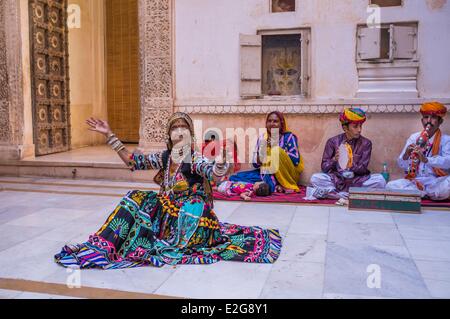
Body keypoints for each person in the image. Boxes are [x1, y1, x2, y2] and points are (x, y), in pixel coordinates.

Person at [54, 112, 282, 269]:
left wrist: (221, 165)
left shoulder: (193, 157)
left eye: (184, 127)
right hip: (169, 212)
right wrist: (109, 135)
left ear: (190, 133)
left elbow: (212, 173)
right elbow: (133, 162)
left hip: (191, 216)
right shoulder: (165, 157)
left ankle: (138, 241)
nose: (179, 130)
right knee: (135, 198)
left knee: (157, 203)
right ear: (170, 134)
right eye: (175, 127)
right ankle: (105, 244)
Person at [309, 107, 386, 199]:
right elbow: (324, 167)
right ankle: (353, 195)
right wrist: (334, 160)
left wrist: (349, 162)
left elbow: (363, 169)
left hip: (358, 180)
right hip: (337, 180)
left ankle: (336, 195)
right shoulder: (332, 141)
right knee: (316, 178)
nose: (359, 130)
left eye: (360, 126)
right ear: (345, 128)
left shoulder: (366, 143)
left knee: (380, 180)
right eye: (355, 126)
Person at [386, 102, 450, 200]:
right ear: (421, 121)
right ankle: (425, 193)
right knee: (390, 186)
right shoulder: (414, 138)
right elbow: (401, 164)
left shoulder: (446, 140)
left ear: (440, 121)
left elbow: (448, 162)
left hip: (435, 181)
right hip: (415, 181)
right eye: (426, 117)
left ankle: (420, 194)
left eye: (433, 118)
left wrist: (426, 160)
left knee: (447, 186)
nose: (428, 121)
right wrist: (406, 155)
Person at [229, 111, 304, 193]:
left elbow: (296, 160)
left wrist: (278, 150)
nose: (272, 124)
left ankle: (280, 185)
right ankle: (274, 186)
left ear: (281, 124)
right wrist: (263, 151)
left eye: (275, 121)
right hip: (267, 173)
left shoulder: (289, 137)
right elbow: (255, 164)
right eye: (269, 121)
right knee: (236, 177)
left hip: (287, 175)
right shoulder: (263, 139)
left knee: (276, 151)